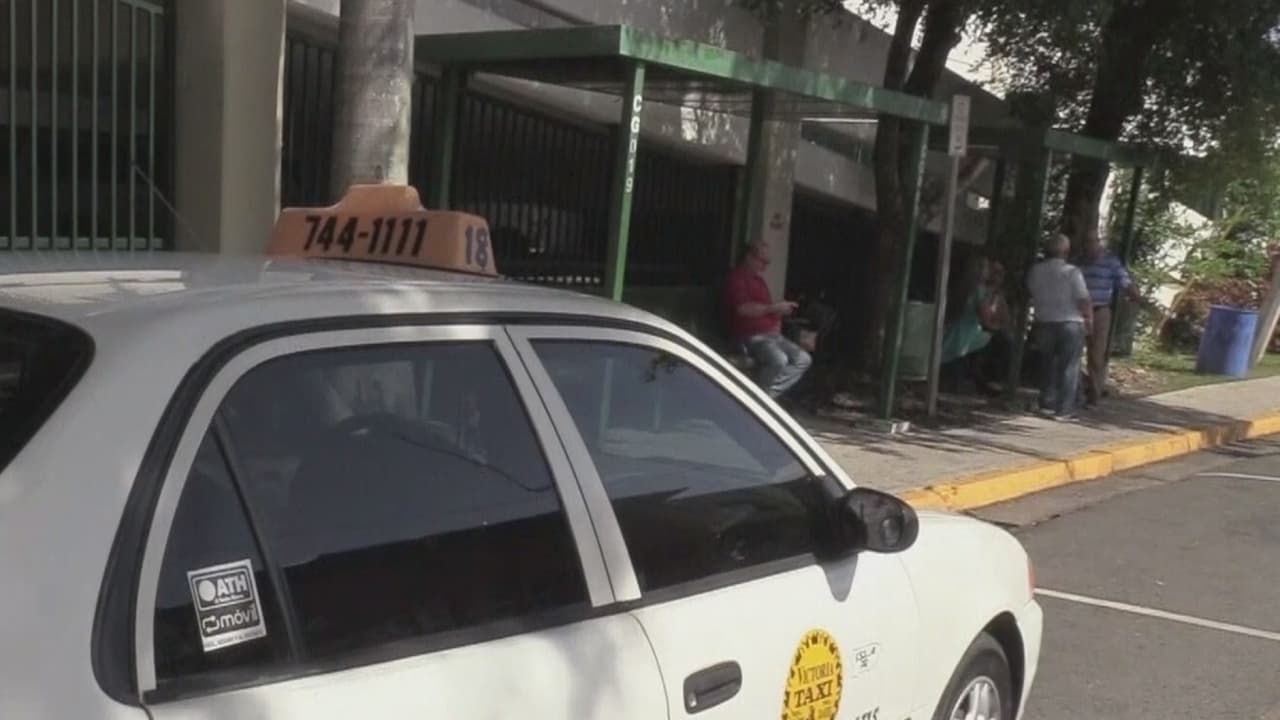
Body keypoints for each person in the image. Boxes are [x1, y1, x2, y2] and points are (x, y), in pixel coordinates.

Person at [724, 240, 812, 399]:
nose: (765, 267)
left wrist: (780, 313)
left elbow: (767, 309)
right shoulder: (736, 278)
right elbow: (743, 309)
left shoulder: (759, 281)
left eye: (767, 263)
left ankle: (763, 396)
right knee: (779, 360)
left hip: (771, 335)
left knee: (803, 359)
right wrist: (774, 308)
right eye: (762, 261)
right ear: (749, 257)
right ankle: (759, 399)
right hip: (748, 336)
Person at [1027, 234, 1093, 419]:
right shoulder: (1072, 272)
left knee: (1047, 364)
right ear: (1066, 251)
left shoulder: (1036, 270)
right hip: (1070, 321)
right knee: (1069, 366)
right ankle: (1064, 408)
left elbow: (1031, 291)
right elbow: (1083, 298)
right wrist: (1089, 319)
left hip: (1044, 321)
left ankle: (1047, 401)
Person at [1080, 233, 1139, 404]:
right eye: (1086, 243)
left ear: (1098, 243)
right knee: (1073, 352)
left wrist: (1134, 294)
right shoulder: (1079, 262)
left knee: (1096, 354)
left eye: (1091, 243)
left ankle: (1094, 393)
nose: (1088, 247)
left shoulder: (1110, 262)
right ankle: (1078, 388)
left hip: (1100, 311)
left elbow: (1124, 281)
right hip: (1080, 312)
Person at [940, 257, 1010, 394]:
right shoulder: (979, 290)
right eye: (989, 269)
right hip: (967, 333)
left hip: (958, 331)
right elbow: (986, 318)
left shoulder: (967, 287)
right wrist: (997, 325)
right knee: (1001, 341)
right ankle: (988, 380)